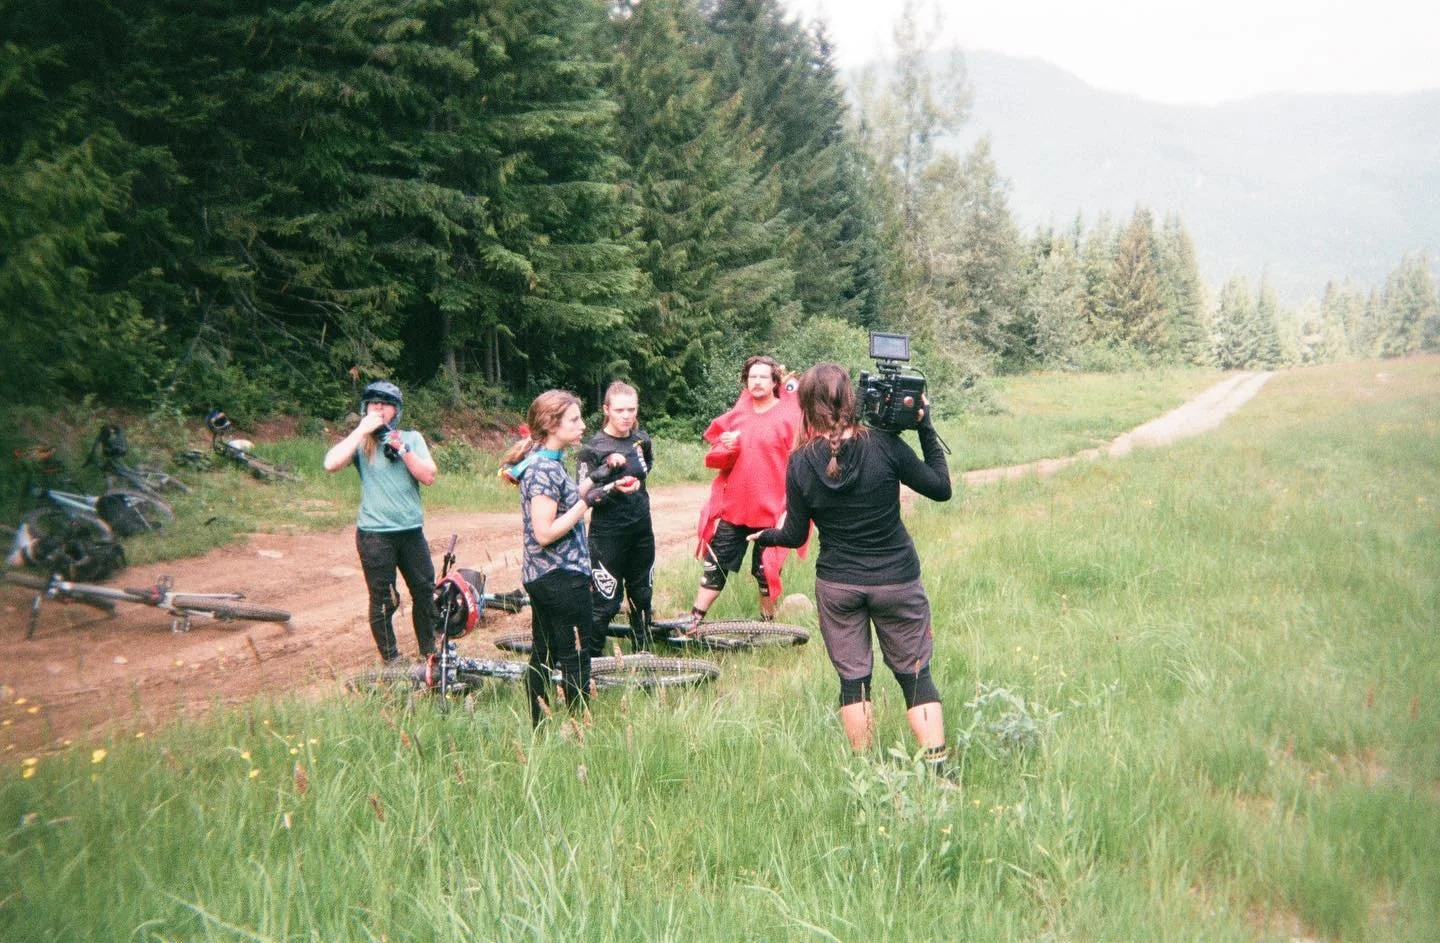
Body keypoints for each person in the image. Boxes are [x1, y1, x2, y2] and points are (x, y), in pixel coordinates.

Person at [751, 362, 954, 771]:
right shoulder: (885, 445)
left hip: (838, 584)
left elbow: (792, 533)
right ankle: (938, 771)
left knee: (854, 680)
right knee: (915, 675)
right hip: (896, 578)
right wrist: (925, 427)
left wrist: (764, 537)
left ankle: (865, 772)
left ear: (806, 404)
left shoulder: (800, 462)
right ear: (851, 398)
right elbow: (941, 488)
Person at [499, 390, 614, 727]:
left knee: (545, 653)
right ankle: (579, 733)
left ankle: (541, 728)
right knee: (576, 658)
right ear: (551, 424)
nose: (582, 425)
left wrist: (599, 485)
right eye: (574, 419)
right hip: (560, 576)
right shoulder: (542, 470)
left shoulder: (546, 461)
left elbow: (562, 502)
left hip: (547, 576)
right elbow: (544, 532)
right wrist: (586, 504)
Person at [681, 355, 802, 633]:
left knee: (766, 573)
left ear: (775, 382)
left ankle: (768, 628)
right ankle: (694, 620)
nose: (757, 382)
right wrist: (726, 446)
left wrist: (791, 509)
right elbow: (719, 460)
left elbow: (799, 465)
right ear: (745, 382)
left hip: (773, 512)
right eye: (752, 377)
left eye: (763, 377)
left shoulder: (789, 417)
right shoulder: (737, 416)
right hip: (735, 509)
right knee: (715, 566)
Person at [323, 380, 440, 664]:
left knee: (425, 591)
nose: (379, 408)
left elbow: (428, 476)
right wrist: (361, 430)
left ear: (395, 410)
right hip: (375, 535)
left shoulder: (411, 438)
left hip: (411, 532)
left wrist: (401, 448)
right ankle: (391, 659)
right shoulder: (361, 443)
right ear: (365, 408)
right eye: (373, 403)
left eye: (385, 404)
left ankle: (429, 651)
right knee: (384, 599)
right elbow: (331, 464)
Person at [576, 382, 656, 651]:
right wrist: (613, 487)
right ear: (606, 409)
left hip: (641, 528)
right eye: (620, 410)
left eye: (631, 409)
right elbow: (583, 495)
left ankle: (643, 654)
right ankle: (592, 661)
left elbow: (647, 466)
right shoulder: (593, 448)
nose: (626, 416)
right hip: (607, 534)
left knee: (642, 597)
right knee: (606, 601)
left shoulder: (641, 439)